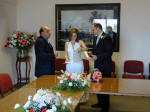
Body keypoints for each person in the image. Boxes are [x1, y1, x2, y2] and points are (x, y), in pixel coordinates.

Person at [91, 23, 113, 112]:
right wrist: (92, 55)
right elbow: (95, 51)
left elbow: (109, 53)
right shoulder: (96, 38)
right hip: (97, 66)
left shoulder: (106, 37)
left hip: (105, 66)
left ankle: (105, 107)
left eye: (93, 29)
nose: (92, 31)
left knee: (105, 87)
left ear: (98, 28)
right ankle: (100, 102)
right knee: (97, 85)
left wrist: (98, 57)